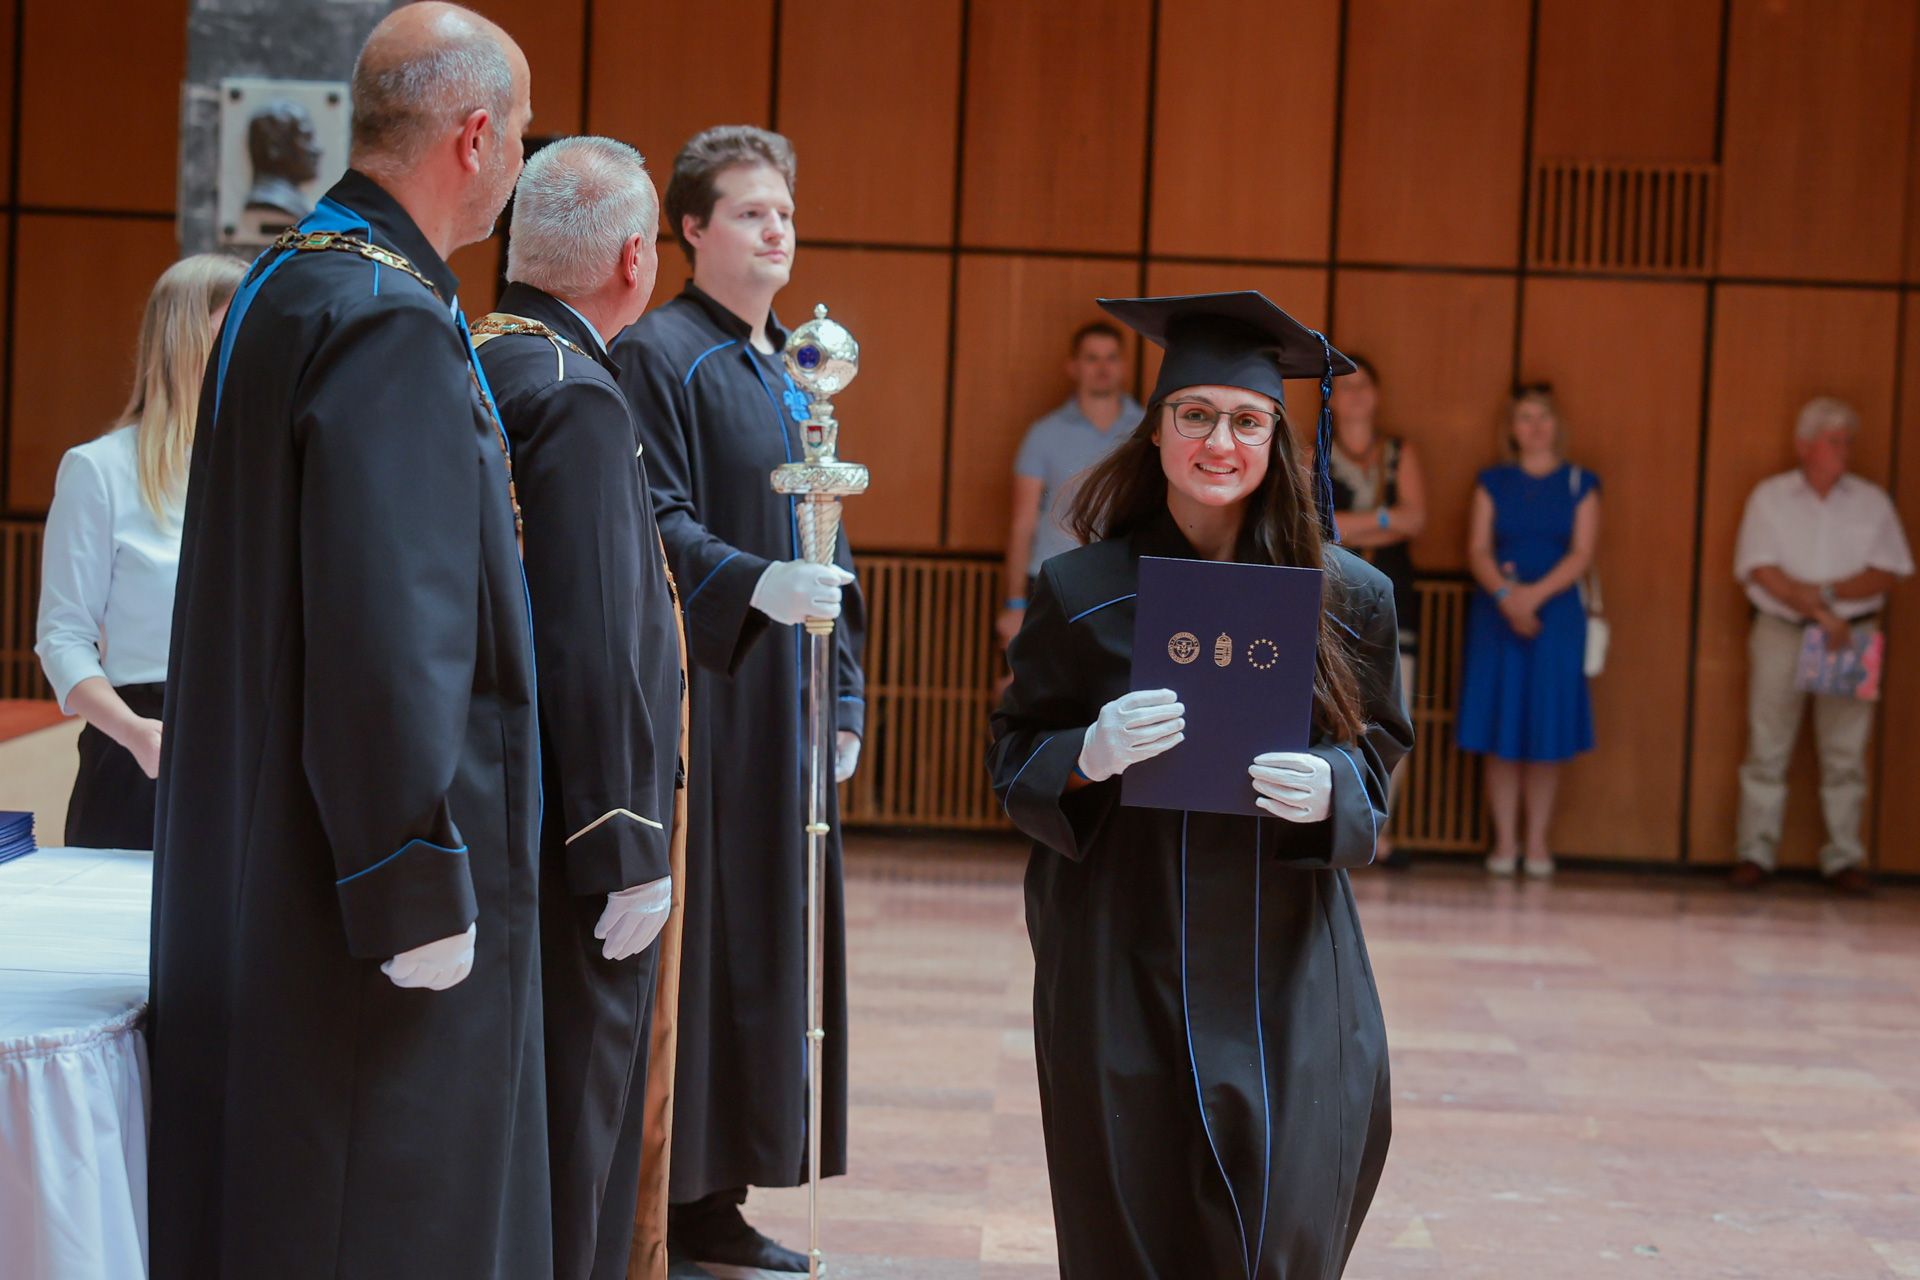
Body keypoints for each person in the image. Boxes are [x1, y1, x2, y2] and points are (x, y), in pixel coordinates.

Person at [149, 7, 544, 1277]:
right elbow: (392, 625)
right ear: (475, 137)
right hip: (358, 890)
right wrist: (411, 872)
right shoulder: (389, 316)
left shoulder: (288, 279)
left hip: (271, 845)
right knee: (379, 1212)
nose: (520, 162)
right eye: (522, 135)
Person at [989, 291, 1407, 1279]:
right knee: (1133, 1207)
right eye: (1196, 414)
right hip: (1122, 944)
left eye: (1247, 421)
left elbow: (1378, 752)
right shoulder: (1081, 590)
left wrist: (1333, 786)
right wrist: (1086, 752)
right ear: (1158, 427)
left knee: (1282, 1209)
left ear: (1277, 439)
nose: (1220, 442)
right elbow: (1015, 749)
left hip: (1282, 950)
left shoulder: (1349, 597)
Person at [612, 124, 866, 1274]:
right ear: (692, 228)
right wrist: (756, 583)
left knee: (773, 939)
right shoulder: (661, 355)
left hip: (791, 707)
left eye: (787, 213)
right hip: (710, 702)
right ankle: (683, 1193)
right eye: (752, 212)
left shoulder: (796, 363)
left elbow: (833, 535)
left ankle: (730, 1188)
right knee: (713, 940)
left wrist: (846, 693)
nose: (777, 230)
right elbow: (648, 517)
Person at [472, 137, 683, 1280]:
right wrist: (627, 838)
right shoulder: (577, 393)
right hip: (576, 827)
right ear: (634, 259)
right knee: (580, 1106)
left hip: (495, 795)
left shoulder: (477, 353)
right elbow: (596, 629)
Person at [35, 253, 242, 850]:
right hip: (139, 750)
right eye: (234, 326)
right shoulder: (99, 470)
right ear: (186, 339)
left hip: (244, 746)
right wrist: (132, 732)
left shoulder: (260, 471)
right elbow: (62, 638)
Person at [1729, 395, 1913, 894]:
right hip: (1782, 630)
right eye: (1834, 442)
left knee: (1845, 750)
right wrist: (1815, 610)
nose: (1844, 451)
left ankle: (1843, 857)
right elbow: (1760, 567)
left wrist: (1828, 599)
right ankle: (1755, 852)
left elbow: (1889, 570)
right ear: (1805, 445)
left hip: (1851, 635)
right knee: (1767, 745)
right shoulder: (1770, 497)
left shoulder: (1872, 502)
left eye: (1848, 442)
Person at [1456, 384, 1600, 878]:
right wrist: (1506, 597)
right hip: (1496, 613)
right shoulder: (1492, 481)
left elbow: (1582, 553)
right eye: (1525, 417)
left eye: (1543, 417)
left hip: (1556, 617)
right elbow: (1477, 549)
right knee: (1501, 726)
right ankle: (1505, 842)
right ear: (1511, 428)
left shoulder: (1580, 483)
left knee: (1547, 727)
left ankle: (1537, 843)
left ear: (1557, 424)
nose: (1535, 427)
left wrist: (1532, 598)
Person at [1326, 352, 1425, 867]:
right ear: (1331, 397)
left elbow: (1415, 519)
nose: (1357, 395)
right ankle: (1335, 817)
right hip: (1333, 596)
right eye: (1347, 385)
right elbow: (1319, 526)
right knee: (1333, 709)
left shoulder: (1398, 452)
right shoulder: (1314, 452)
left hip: (1395, 596)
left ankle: (1376, 825)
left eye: (1365, 385)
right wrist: (1383, 518)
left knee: (1392, 713)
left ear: (1379, 394)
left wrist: (1354, 522)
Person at [996, 321, 1140, 649]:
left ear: (1124, 366)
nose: (1102, 368)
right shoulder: (1043, 434)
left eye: (1111, 358)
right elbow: (1022, 523)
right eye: (1092, 358)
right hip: (1051, 580)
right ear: (1073, 367)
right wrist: (1014, 603)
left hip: (1122, 581)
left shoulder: (1148, 432)